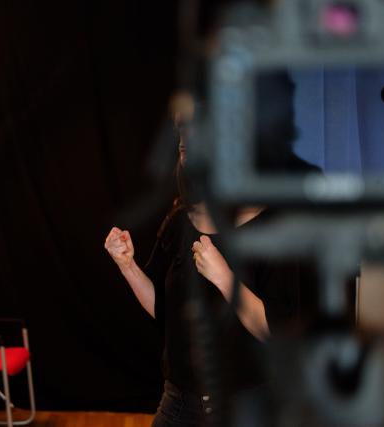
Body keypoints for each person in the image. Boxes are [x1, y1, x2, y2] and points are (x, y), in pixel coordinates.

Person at [104, 85, 310, 425]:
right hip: (177, 404)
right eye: (183, 143)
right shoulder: (179, 220)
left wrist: (225, 279)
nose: (186, 149)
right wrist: (127, 266)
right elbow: (161, 308)